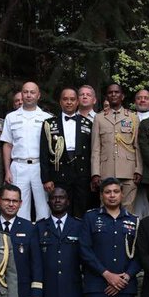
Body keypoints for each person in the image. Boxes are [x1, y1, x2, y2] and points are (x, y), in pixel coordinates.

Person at [0, 81, 53, 221]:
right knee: (18, 207)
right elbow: (7, 144)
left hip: (39, 166)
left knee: (43, 208)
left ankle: (43, 239)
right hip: (18, 166)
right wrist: (7, 170)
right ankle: (20, 239)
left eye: (32, 92)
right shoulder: (11, 117)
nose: (29, 95)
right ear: (21, 94)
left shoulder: (47, 118)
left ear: (38, 95)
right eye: (25, 92)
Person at [41, 87, 95, 217]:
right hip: (59, 172)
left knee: (81, 208)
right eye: (65, 99)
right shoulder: (49, 124)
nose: (69, 102)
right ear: (60, 102)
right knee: (60, 208)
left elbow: (93, 151)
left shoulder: (87, 123)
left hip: (81, 173)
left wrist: (93, 176)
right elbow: (43, 152)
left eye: (72, 99)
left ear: (77, 102)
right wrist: (46, 178)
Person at [92, 83, 143, 212]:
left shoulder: (132, 117)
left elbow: (137, 145)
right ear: (106, 97)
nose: (113, 94)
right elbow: (96, 148)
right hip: (106, 170)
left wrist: (138, 169)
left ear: (123, 96)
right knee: (106, 209)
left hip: (128, 170)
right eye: (110, 92)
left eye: (116, 92)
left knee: (127, 209)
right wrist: (95, 172)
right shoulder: (99, 118)